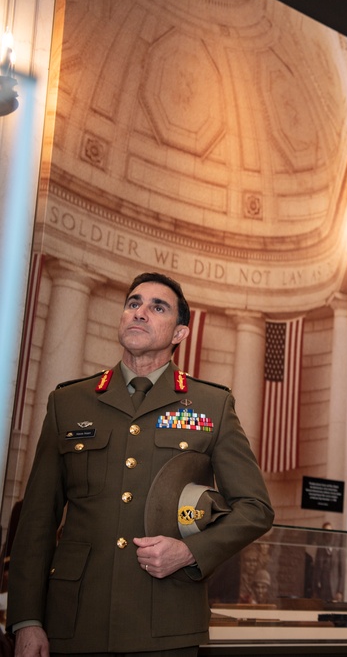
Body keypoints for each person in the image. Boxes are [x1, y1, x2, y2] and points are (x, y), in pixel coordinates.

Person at [8, 272, 274, 657]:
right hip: (75, 622)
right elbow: (37, 519)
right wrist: (26, 620)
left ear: (180, 333)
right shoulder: (69, 402)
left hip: (166, 626)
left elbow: (256, 509)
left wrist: (190, 552)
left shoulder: (210, 405)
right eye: (133, 303)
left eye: (157, 307)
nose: (140, 312)